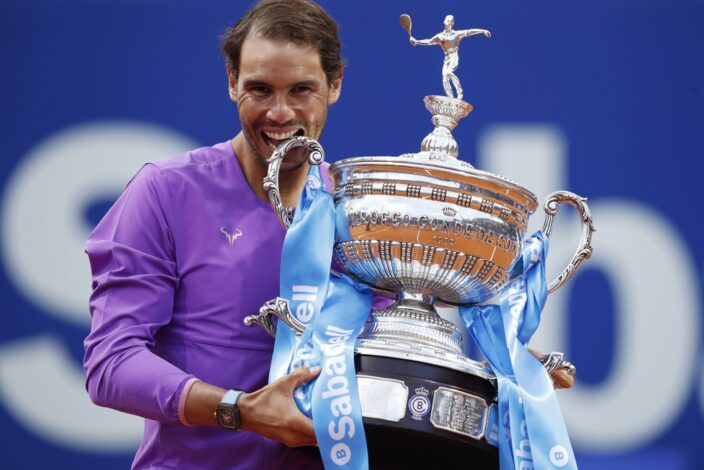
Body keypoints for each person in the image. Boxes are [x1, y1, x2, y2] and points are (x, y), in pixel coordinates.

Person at [84, 1, 573, 469]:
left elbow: (390, 354)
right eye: (259, 89)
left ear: (334, 85)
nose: (279, 113)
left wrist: (493, 368)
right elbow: (112, 364)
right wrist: (239, 409)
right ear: (231, 82)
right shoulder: (165, 192)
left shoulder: (362, 216)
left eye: (301, 90)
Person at [410, 15, 491, 100]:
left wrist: (483, 31)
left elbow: (469, 31)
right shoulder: (440, 36)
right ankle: (450, 97)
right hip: (446, 58)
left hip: (454, 56)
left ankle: (460, 93)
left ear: (453, 23)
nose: (449, 22)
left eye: (451, 21)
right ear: (444, 22)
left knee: (449, 72)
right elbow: (429, 41)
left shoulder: (457, 34)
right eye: (448, 20)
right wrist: (417, 41)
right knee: (445, 77)